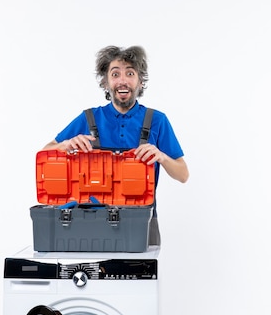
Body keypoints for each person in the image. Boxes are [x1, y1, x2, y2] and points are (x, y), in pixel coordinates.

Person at [42, 45, 189, 245]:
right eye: (115, 74)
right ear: (106, 82)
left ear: (140, 82)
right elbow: (44, 153)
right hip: (90, 221)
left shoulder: (157, 120)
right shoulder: (89, 118)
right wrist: (66, 145)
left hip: (141, 221)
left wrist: (161, 156)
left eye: (130, 73)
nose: (122, 80)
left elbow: (183, 175)